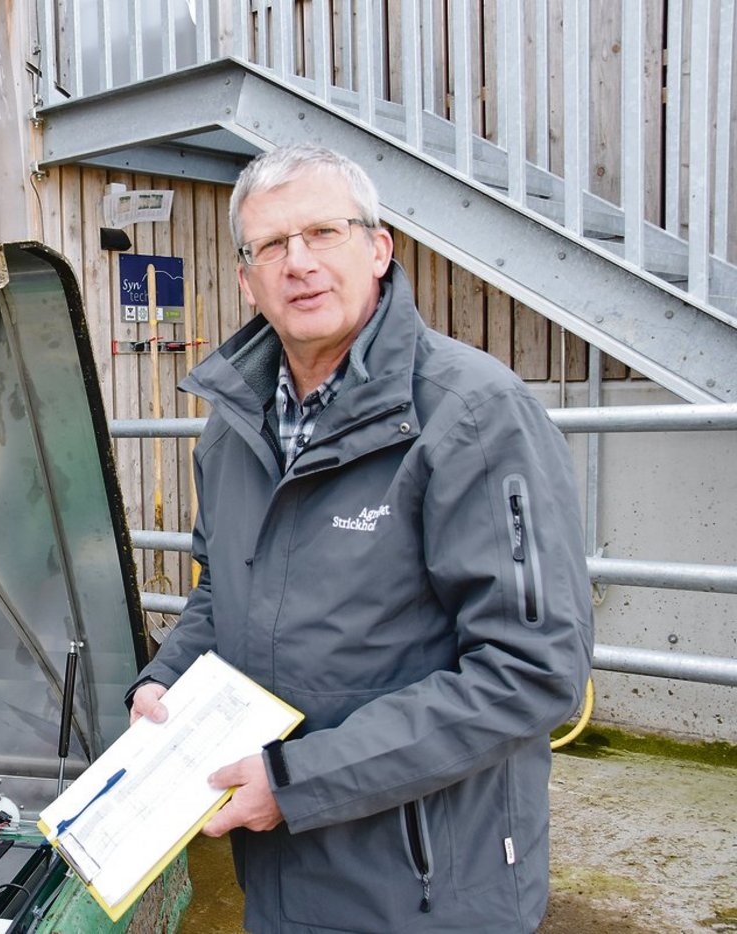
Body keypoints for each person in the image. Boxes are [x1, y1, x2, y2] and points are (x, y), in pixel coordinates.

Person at [128, 144, 593, 933]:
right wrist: (164, 681)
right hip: (279, 871)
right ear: (247, 279)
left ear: (378, 249)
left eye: (323, 233)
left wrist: (299, 782)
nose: (298, 262)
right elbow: (221, 592)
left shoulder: (471, 415)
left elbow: (532, 668)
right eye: (271, 245)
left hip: (428, 884)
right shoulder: (233, 432)